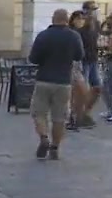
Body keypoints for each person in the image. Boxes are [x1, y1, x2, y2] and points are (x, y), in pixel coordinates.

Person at [28, 9, 84, 160]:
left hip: (44, 80)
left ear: (53, 19)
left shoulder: (43, 36)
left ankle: (44, 138)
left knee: (39, 113)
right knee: (59, 117)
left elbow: (33, 58)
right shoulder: (74, 36)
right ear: (67, 20)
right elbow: (79, 56)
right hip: (64, 82)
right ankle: (55, 147)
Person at [78, 0, 103, 127]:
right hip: (83, 60)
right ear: (86, 10)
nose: (95, 12)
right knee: (84, 89)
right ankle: (80, 115)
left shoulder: (96, 24)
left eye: (95, 9)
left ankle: (86, 112)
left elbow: (100, 37)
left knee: (97, 87)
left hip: (93, 59)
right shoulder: (80, 23)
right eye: (93, 9)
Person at [66, 10, 90, 131]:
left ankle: (75, 117)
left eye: (83, 18)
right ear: (73, 19)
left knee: (81, 92)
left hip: (78, 64)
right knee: (74, 92)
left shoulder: (83, 32)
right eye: (79, 18)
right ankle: (71, 118)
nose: (81, 21)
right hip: (71, 64)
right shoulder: (71, 32)